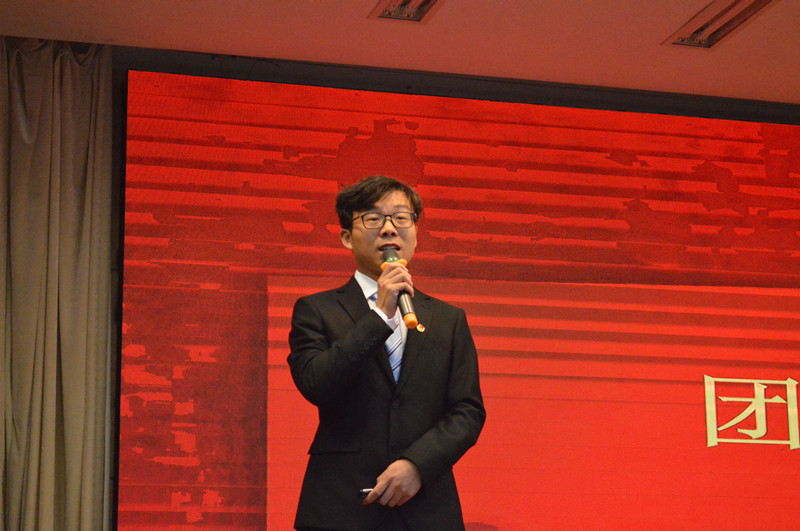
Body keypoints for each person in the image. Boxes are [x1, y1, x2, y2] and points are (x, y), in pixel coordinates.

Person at [288, 175, 486, 530]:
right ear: (346, 237)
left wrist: (417, 465)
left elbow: (467, 411)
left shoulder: (449, 319)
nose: (390, 228)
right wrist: (380, 315)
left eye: (401, 217)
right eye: (373, 218)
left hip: (427, 509)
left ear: (416, 233)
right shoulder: (315, 310)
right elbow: (316, 383)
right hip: (341, 507)